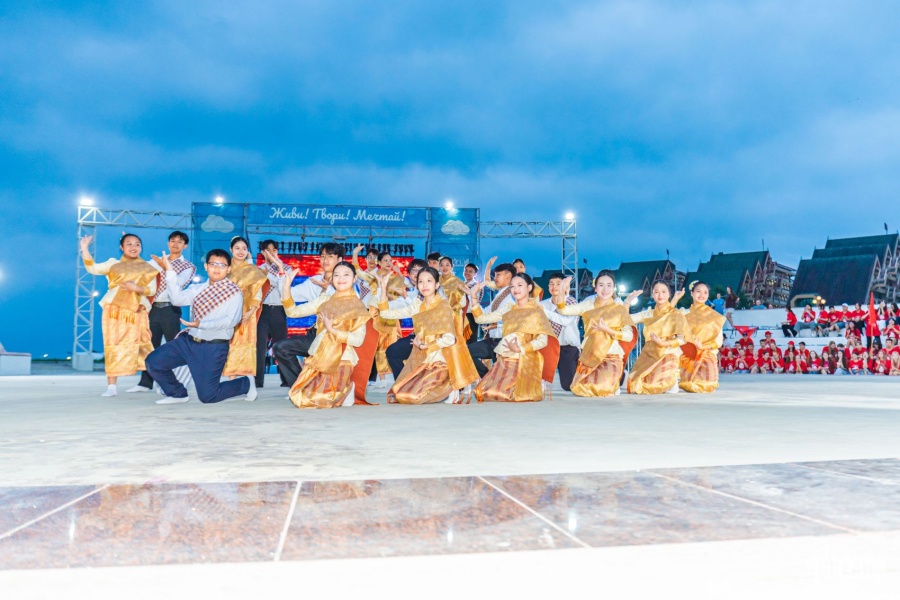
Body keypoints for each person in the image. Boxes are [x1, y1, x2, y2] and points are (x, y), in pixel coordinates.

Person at [147, 249, 256, 404]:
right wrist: (169, 271)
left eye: (222, 265)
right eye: (213, 264)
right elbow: (177, 300)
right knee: (153, 362)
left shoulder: (234, 293)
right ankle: (177, 394)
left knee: (208, 396)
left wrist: (201, 324)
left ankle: (246, 383)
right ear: (206, 266)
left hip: (213, 347)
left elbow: (231, 321)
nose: (217, 268)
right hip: (188, 341)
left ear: (229, 269)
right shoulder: (196, 289)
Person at [281, 261, 376, 408]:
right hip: (320, 356)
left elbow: (358, 340)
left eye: (346, 275)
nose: (341, 278)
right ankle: (343, 391)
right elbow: (292, 312)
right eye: (336, 275)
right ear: (332, 279)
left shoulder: (358, 307)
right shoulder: (325, 300)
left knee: (319, 400)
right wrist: (286, 287)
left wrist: (332, 330)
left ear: (354, 279)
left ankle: (347, 388)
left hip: (342, 359)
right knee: (302, 398)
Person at [376, 267, 478, 404]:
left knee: (412, 397)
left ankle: (450, 385)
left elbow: (450, 339)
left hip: (441, 361)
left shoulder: (443, 306)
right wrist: (383, 289)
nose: (424, 285)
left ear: (437, 284)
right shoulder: (418, 306)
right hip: (424, 360)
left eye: (429, 281)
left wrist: (426, 346)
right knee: (400, 394)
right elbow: (385, 314)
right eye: (421, 282)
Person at [80, 233, 159, 397]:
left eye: (137, 244)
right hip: (114, 310)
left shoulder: (148, 268)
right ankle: (111, 387)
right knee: (113, 344)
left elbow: (152, 290)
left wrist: (136, 289)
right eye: (129, 244)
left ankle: (162, 383)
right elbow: (92, 268)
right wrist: (84, 248)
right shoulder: (113, 264)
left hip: (137, 309)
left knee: (144, 344)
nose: (133, 247)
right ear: (121, 247)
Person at [469, 273, 556, 402]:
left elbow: (543, 340)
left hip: (524, 360)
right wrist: (473, 296)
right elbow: (481, 319)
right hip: (504, 357)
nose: (515, 289)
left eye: (520, 285)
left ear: (529, 287)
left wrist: (520, 349)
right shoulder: (509, 308)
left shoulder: (536, 311)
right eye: (512, 286)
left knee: (507, 395)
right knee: (482, 393)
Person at [128, 231, 197, 393]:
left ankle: (175, 382)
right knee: (149, 345)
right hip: (152, 308)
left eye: (179, 242)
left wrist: (165, 267)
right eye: (172, 241)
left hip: (170, 309)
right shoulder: (154, 262)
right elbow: (140, 274)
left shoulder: (188, 266)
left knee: (174, 346)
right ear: (168, 243)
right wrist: (130, 251)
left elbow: (178, 283)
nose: (175, 244)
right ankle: (145, 383)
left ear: (185, 246)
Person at [272, 242, 344, 388]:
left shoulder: (345, 281)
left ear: (340, 260)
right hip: (316, 334)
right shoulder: (313, 281)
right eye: (322, 256)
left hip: (337, 337)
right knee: (280, 347)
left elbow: (350, 305)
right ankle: (301, 388)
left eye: (330, 256)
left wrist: (329, 289)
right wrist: (282, 275)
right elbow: (289, 295)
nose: (325, 260)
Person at [556, 270, 634, 397]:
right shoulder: (587, 305)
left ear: (614, 288)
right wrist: (561, 291)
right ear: (595, 287)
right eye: (601, 285)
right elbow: (563, 310)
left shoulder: (619, 309)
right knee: (580, 388)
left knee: (600, 387)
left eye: (609, 285)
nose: (605, 289)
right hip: (590, 357)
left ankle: (613, 382)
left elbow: (629, 336)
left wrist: (607, 330)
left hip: (611, 356)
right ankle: (612, 384)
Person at [627, 280, 688, 394]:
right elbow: (626, 319)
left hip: (668, 352)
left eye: (664, 292)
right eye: (656, 292)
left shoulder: (676, 314)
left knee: (651, 386)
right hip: (649, 354)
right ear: (652, 295)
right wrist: (628, 301)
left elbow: (682, 339)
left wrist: (662, 343)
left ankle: (672, 380)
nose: (660, 295)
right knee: (634, 385)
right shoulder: (648, 314)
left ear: (669, 294)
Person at [221, 236, 270, 380]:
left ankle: (245, 381)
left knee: (243, 345)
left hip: (246, 314)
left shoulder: (252, 270)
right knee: (227, 344)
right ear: (231, 249)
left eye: (244, 248)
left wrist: (251, 311)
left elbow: (258, 292)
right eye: (237, 248)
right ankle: (230, 380)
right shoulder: (224, 268)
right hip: (226, 313)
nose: (240, 251)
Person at [356, 251, 407, 386]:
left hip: (390, 312)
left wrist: (390, 295)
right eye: (385, 260)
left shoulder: (395, 278)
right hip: (376, 312)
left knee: (392, 343)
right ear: (379, 262)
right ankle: (381, 378)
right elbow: (358, 272)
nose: (389, 263)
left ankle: (393, 377)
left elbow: (403, 294)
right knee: (377, 344)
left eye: (390, 260)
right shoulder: (374, 276)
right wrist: (355, 254)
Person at [466, 262, 518, 378]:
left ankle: (489, 378)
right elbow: (485, 313)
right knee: (464, 352)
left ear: (508, 276)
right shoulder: (501, 294)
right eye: (495, 275)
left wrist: (473, 295)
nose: (495, 278)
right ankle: (487, 377)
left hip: (505, 342)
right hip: (492, 340)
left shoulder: (513, 296)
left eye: (498, 275)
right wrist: (472, 295)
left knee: (503, 379)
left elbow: (483, 317)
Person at [383, 258, 428, 380]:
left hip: (433, 337)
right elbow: (391, 307)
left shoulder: (432, 290)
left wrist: (405, 296)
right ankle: (403, 383)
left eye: (420, 270)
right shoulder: (412, 293)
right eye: (413, 270)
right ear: (409, 274)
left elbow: (419, 310)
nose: (416, 273)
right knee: (393, 351)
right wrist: (382, 289)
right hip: (417, 336)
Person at [678, 281, 726, 393]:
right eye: (698, 291)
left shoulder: (714, 317)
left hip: (707, 354)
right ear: (692, 293)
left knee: (708, 385)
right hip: (688, 355)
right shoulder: (684, 314)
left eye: (705, 292)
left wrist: (702, 347)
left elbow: (718, 342)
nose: (702, 295)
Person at [541, 273, 583, 392]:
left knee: (568, 385)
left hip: (567, 347)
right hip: (548, 346)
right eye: (551, 284)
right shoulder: (543, 304)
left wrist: (545, 312)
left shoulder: (571, 302)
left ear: (565, 286)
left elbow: (565, 321)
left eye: (558, 284)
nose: (554, 287)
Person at [256, 239, 289, 387]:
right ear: (263, 253)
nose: (271, 253)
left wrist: (268, 274)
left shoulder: (286, 268)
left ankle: (286, 379)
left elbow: (281, 285)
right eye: (268, 250)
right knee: (259, 346)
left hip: (279, 310)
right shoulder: (258, 270)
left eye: (274, 250)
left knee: (281, 346)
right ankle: (257, 381)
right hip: (262, 310)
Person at [463, 262, 483, 343]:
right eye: (466, 270)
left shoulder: (476, 286)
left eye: (470, 271)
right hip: (461, 314)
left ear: (475, 274)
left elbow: (474, 301)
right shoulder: (461, 284)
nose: (467, 273)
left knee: (471, 339)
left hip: (471, 314)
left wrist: (466, 290)